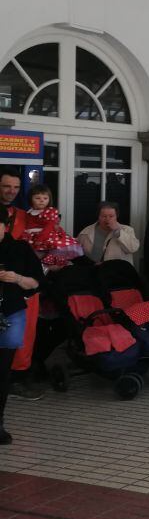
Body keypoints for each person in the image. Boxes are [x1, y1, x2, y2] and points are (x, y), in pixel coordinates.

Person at [0, 206, 43, 445]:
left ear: (5, 226)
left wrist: (16, 278)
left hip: (10, 313)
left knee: (2, 370)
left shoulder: (19, 249)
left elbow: (36, 283)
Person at [23, 184, 80, 269]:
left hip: (46, 236)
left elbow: (49, 226)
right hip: (31, 237)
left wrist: (40, 239)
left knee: (52, 255)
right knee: (33, 258)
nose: (42, 201)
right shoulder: (29, 212)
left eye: (45, 198)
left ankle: (55, 268)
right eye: (38, 198)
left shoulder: (50, 211)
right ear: (31, 199)